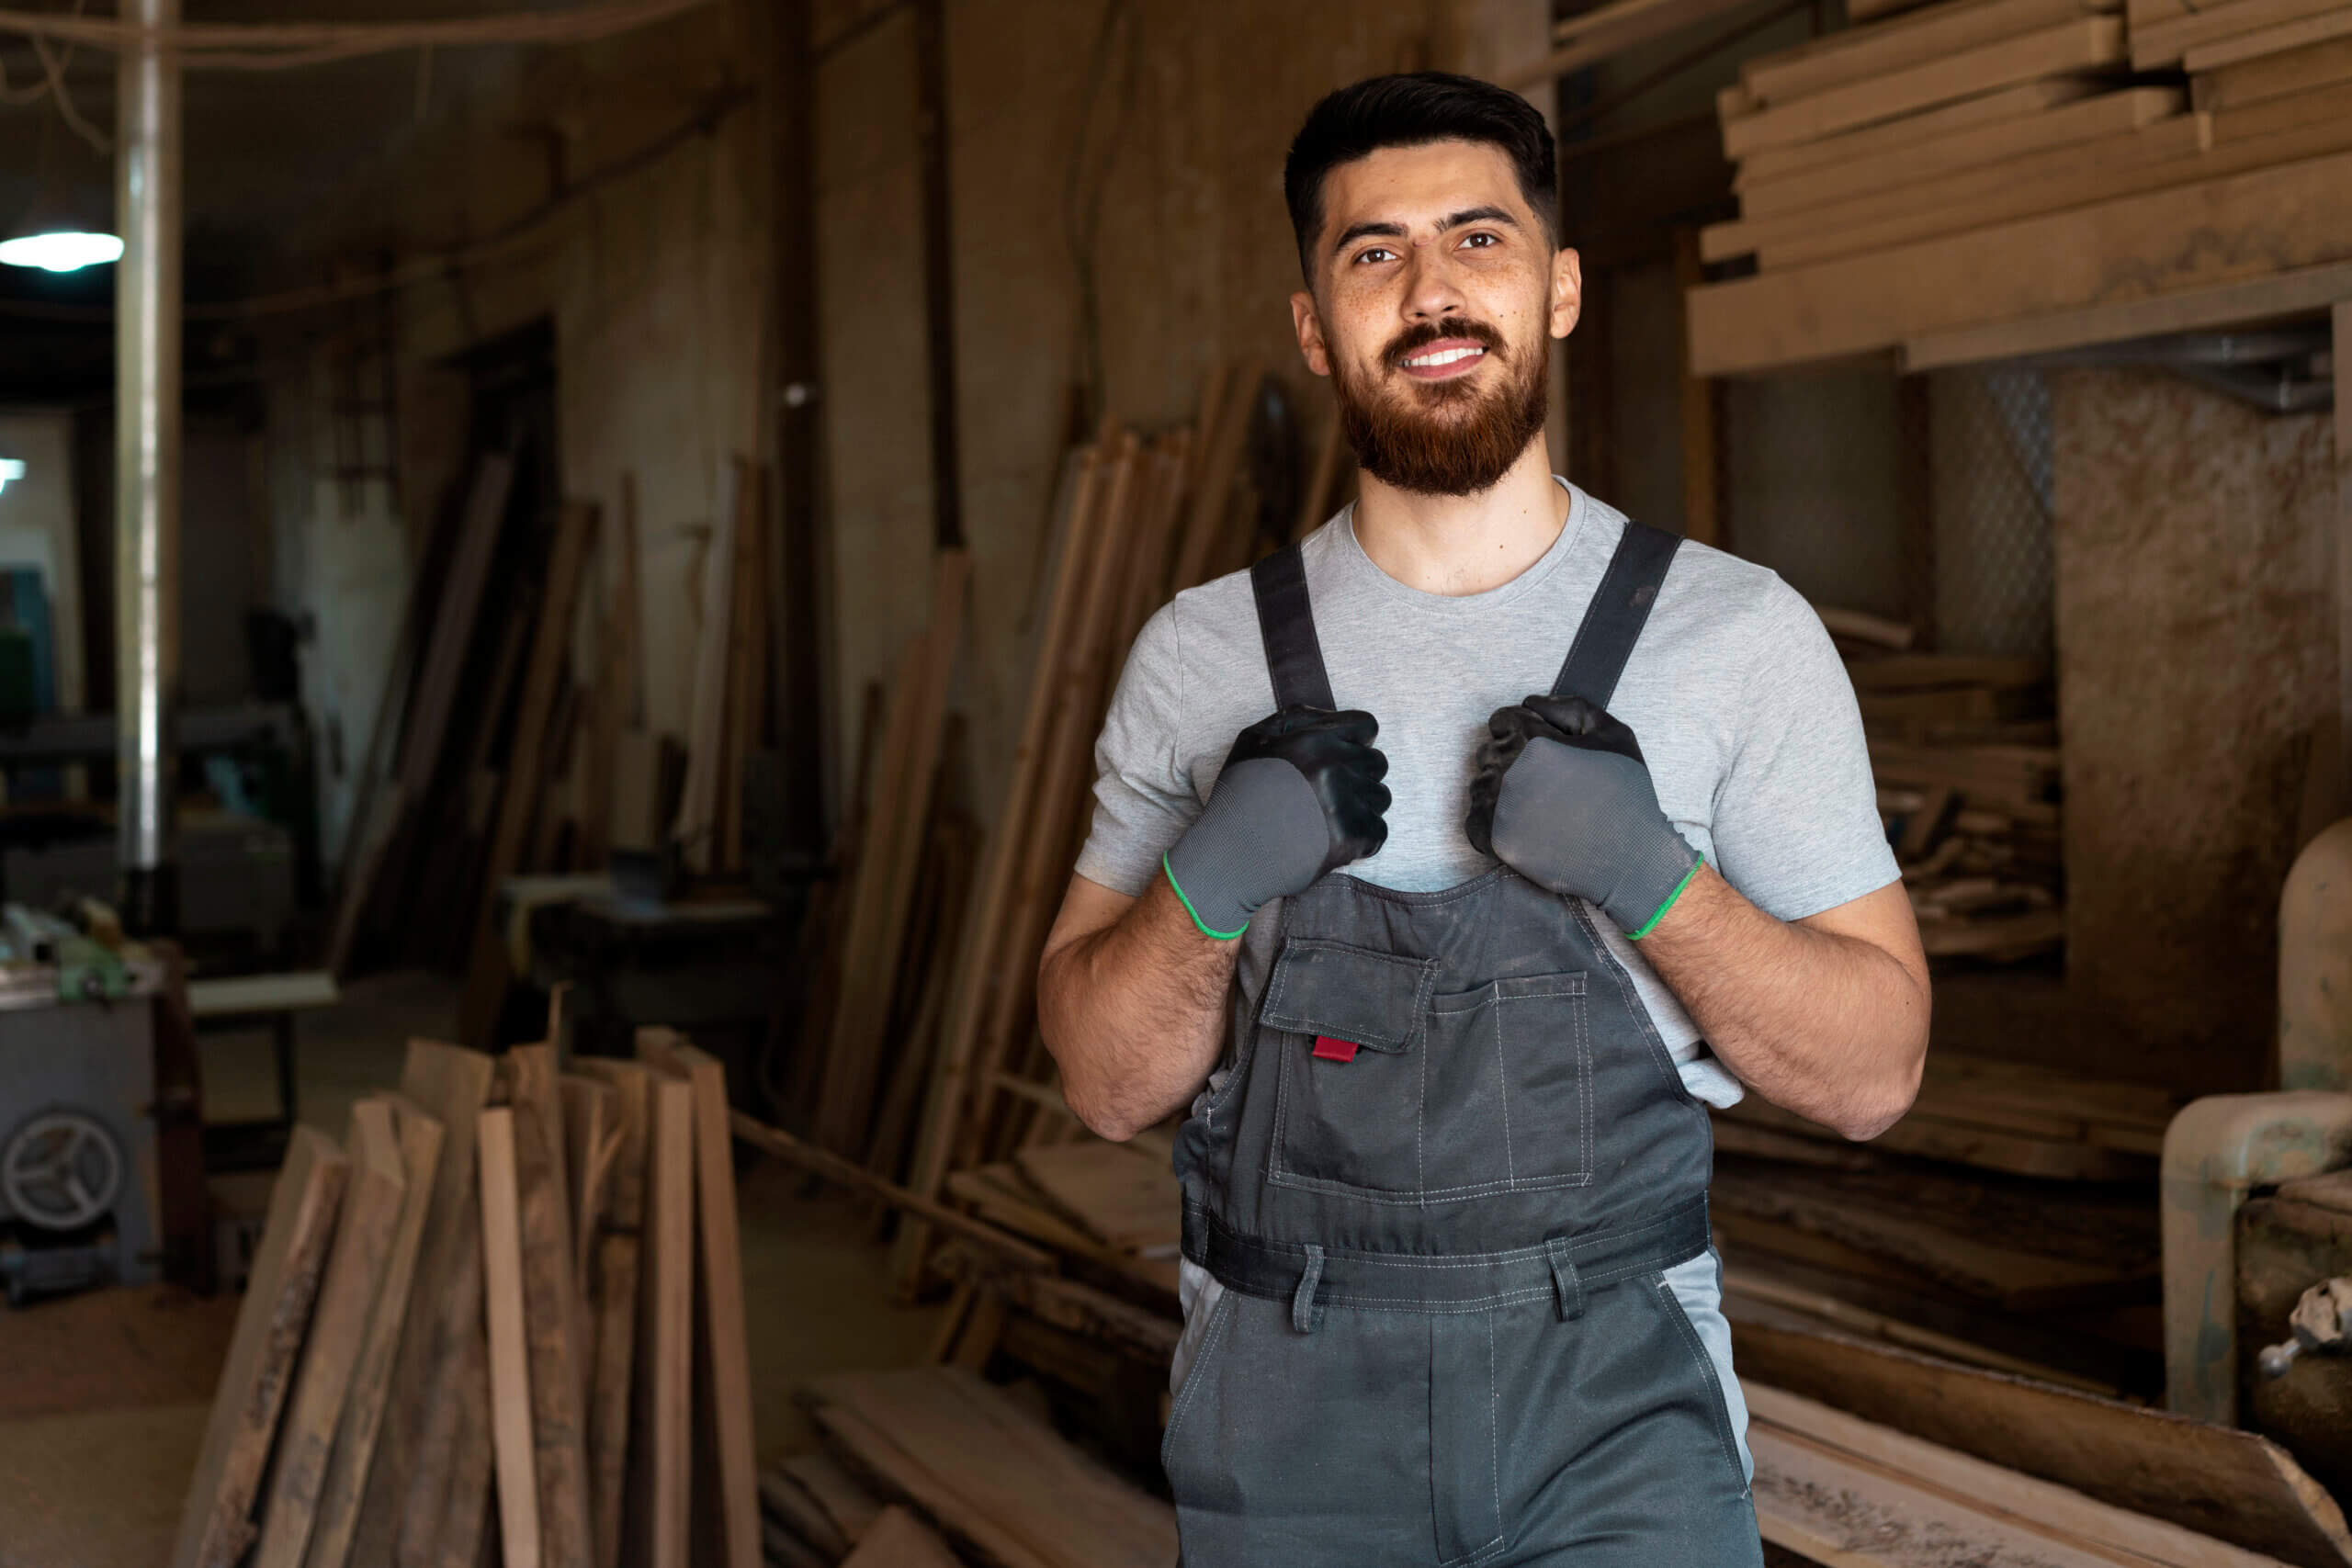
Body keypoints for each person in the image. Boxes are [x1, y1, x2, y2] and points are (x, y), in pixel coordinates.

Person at [1035, 71, 1928, 1566]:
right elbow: (1102, 1084)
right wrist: (1208, 884)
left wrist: (1654, 883)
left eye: (1479, 239)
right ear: (1316, 323)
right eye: (1374, 253)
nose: (1432, 291)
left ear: (1560, 287)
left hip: (1614, 1420)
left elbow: (1877, 1075)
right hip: (1290, 1419)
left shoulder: (1733, 633)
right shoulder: (1202, 656)